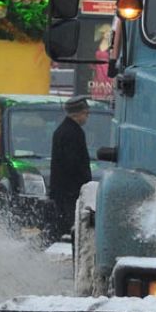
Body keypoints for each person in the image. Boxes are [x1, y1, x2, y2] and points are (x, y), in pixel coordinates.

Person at [48, 97, 93, 239]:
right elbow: (73, 164)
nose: (87, 117)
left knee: (62, 225)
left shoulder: (62, 130)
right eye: (86, 113)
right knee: (69, 227)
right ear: (77, 114)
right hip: (71, 191)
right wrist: (84, 183)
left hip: (63, 190)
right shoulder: (73, 133)